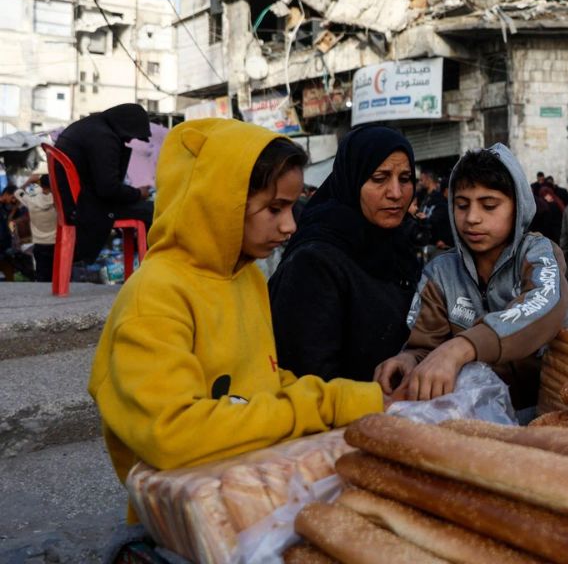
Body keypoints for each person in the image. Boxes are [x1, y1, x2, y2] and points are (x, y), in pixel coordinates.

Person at [87, 119, 383, 506]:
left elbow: (264, 382)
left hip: (254, 488)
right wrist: (326, 406)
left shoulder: (247, 278)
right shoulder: (155, 295)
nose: (290, 225)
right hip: (190, 517)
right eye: (274, 208)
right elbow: (173, 433)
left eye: (292, 207)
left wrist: (361, 399)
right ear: (218, 202)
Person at [374, 145, 567, 410]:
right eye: (461, 205)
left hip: (543, 413)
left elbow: (545, 305)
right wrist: (409, 360)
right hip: (470, 421)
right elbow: (426, 347)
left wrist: (462, 347)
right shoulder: (440, 272)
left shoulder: (537, 253)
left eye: (489, 206)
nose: (472, 218)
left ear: (518, 207)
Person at [270, 126, 424, 382]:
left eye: (405, 178)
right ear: (353, 179)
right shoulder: (314, 263)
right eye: (379, 178)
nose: (396, 193)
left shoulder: (398, 248)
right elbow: (309, 376)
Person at [54, 103, 154, 263]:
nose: (129, 140)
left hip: (75, 204)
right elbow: (108, 189)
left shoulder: (89, 127)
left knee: (147, 208)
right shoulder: (104, 137)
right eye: (130, 135)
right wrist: (138, 193)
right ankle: (153, 272)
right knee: (156, 211)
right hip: (87, 209)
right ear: (124, 127)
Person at [16, 174, 56, 282]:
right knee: (59, 275)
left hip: (40, 244)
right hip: (57, 244)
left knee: (43, 276)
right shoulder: (59, 201)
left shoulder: (31, 201)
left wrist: (29, 180)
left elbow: (17, 193)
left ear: (41, 185)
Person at [415, 168, 453, 254]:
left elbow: (439, 221)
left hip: (438, 244)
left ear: (429, 178)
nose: (420, 182)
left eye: (422, 179)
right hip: (427, 241)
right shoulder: (423, 196)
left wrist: (444, 240)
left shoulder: (439, 199)